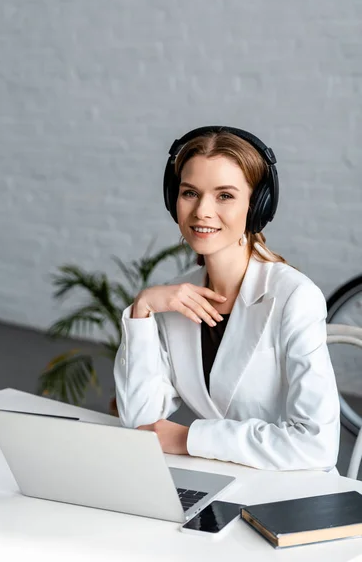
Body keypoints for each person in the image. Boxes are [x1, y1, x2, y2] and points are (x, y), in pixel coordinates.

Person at [113, 126, 340, 471]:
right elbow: (140, 422)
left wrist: (189, 439)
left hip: (292, 489)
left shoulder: (294, 297)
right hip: (222, 476)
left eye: (224, 196)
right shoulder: (176, 297)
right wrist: (142, 309)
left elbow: (317, 445)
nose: (202, 211)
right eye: (190, 193)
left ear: (257, 206)